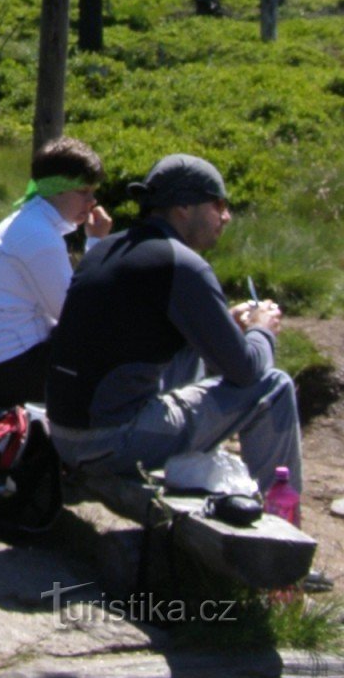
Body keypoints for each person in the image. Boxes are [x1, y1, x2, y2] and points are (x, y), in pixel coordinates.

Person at [45, 153, 301, 494]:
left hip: (64, 431)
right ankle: (281, 522)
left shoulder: (106, 248)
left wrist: (224, 324)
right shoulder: (182, 264)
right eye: (218, 203)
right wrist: (261, 329)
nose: (226, 216)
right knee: (274, 386)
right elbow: (246, 372)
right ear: (183, 206)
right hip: (108, 442)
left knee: (187, 351)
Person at [0, 136, 111, 408]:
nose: (92, 201)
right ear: (57, 191)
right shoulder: (39, 237)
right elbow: (76, 315)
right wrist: (96, 243)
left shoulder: (29, 223)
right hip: (9, 374)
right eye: (83, 191)